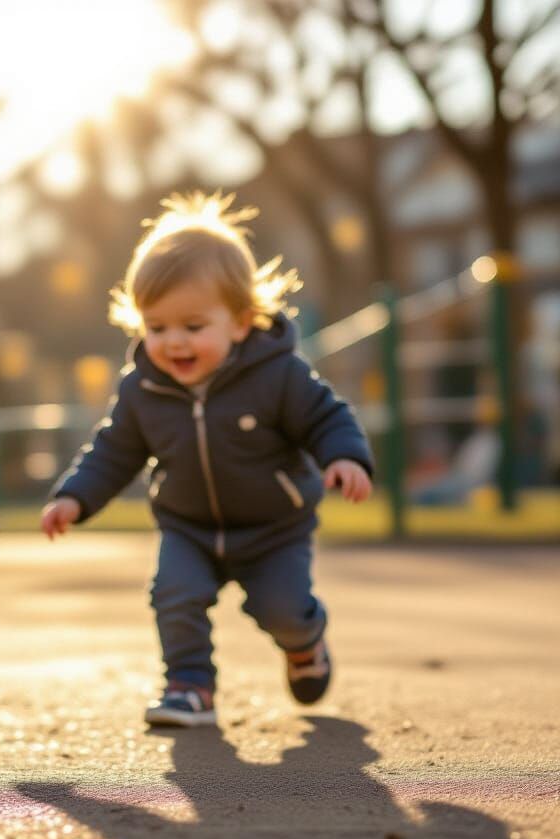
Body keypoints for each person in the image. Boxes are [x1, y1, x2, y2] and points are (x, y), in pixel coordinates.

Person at [41, 192, 373, 727]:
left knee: (283, 610)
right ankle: (189, 686)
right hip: (189, 527)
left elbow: (327, 417)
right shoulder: (143, 390)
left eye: (193, 327)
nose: (173, 342)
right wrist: (74, 496)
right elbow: (114, 450)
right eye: (156, 327)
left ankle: (305, 643)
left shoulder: (278, 375)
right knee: (174, 594)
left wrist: (346, 458)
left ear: (241, 323)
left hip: (273, 530)